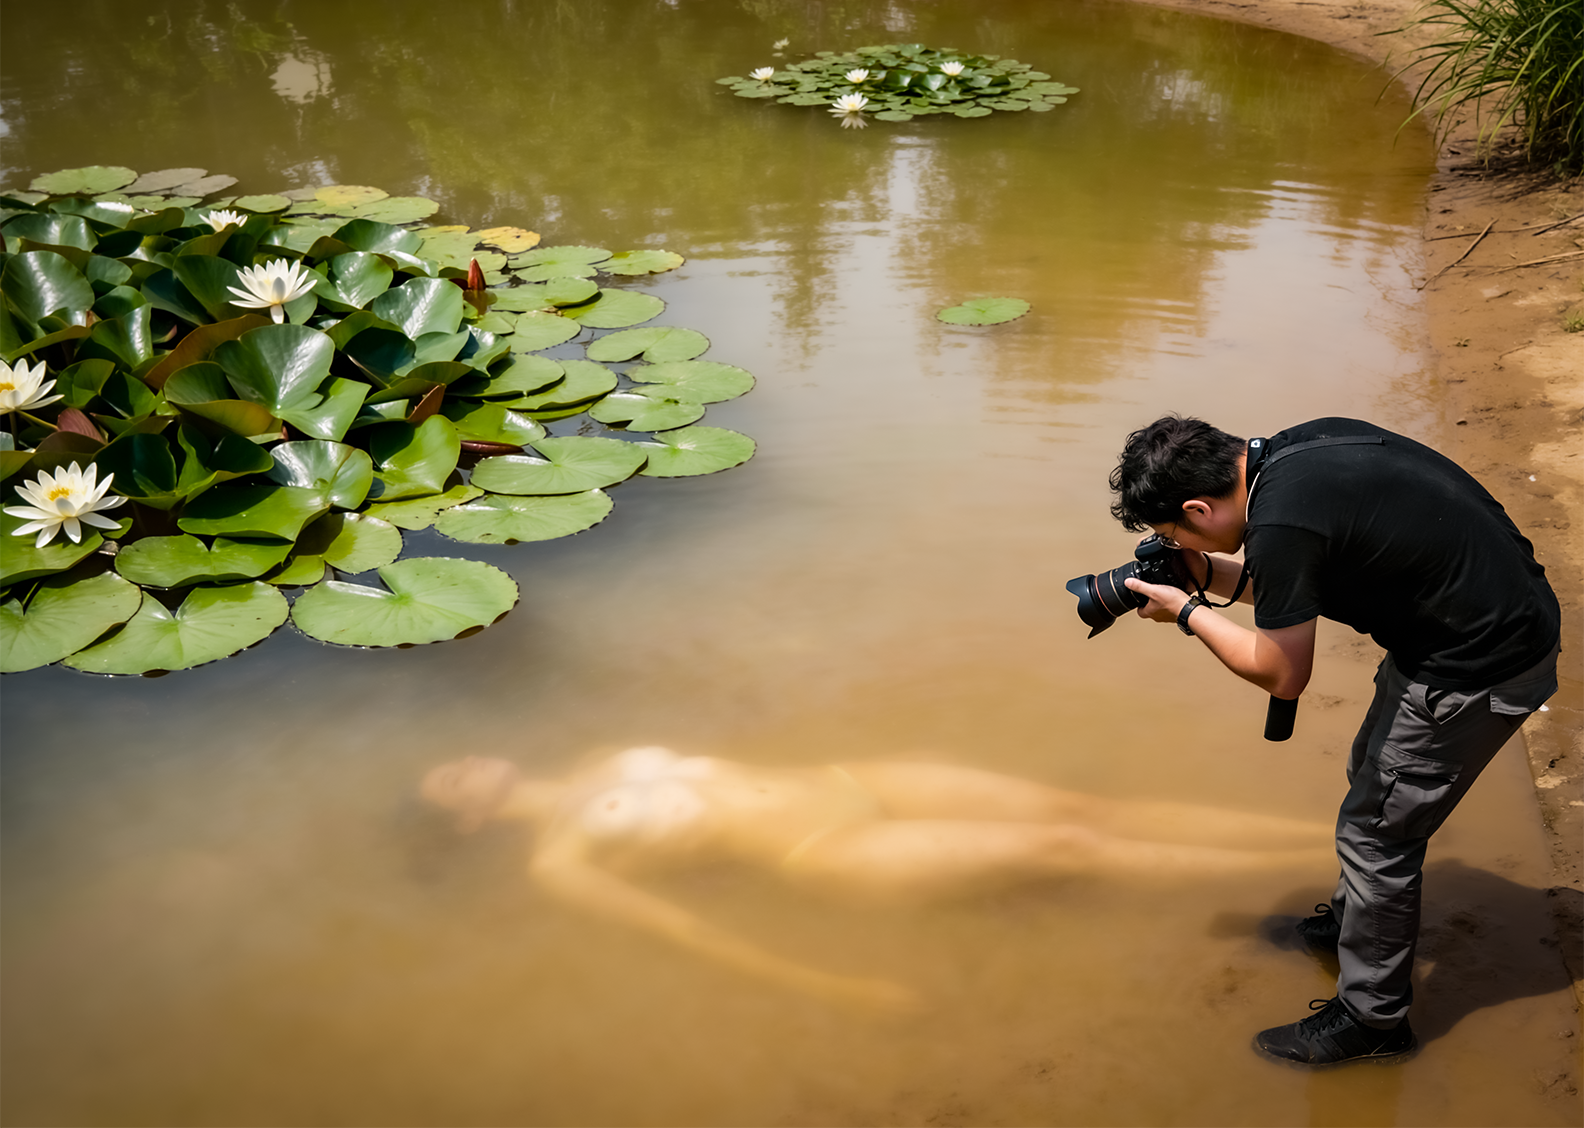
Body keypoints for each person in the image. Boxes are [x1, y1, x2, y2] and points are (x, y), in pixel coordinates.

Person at [1110, 415, 1560, 1068]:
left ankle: (1373, 1020)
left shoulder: (1282, 523)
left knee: (1378, 833)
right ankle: (1357, 924)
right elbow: (1292, 588)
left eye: (1174, 533)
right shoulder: (1293, 457)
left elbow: (1283, 673)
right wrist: (1206, 573)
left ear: (1198, 507)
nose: (1173, 543)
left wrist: (1186, 612)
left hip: (1480, 662)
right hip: (1471, 621)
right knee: (1371, 777)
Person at [419, 747, 1332, 1011]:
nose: (457, 763)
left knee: (1079, 806)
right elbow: (687, 936)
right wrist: (836, 987)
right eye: (447, 782)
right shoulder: (561, 861)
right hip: (824, 854)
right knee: (1066, 853)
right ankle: (1334, 866)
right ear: (468, 820)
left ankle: (1331, 833)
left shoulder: (601, 754)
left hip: (853, 782)